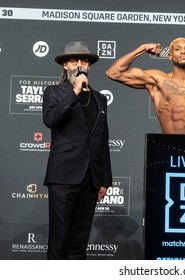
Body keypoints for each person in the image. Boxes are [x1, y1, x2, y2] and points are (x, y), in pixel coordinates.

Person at [43, 41, 112, 259]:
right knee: (59, 239)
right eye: (74, 60)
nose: (80, 65)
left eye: (84, 61)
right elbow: (50, 119)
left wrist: (104, 180)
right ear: (65, 65)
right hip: (63, 176)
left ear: (89, 66)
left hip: (90, 178)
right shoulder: (54, 92)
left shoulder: (100, 98)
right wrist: (75, 91)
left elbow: (102, 139)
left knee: (79, 241)